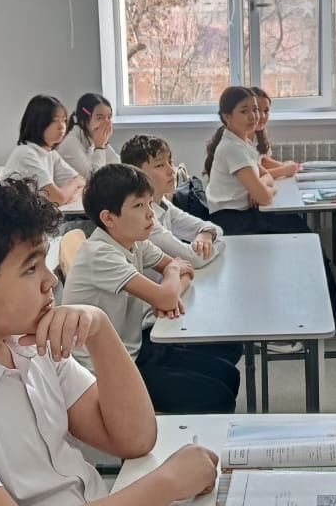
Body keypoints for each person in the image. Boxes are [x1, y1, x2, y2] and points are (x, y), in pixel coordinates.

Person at [0, 171, 219, 506]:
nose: (50, 281)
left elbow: (134, 439)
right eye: (30, 268)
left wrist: (100, 329)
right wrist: (168, 483)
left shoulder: (31, 342)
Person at [62, 163, 241, 414]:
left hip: (134, 347)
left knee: (228, 373)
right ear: (108, 218)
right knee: (217, 396)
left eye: (149, 204)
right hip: (106, 369)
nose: (150, 214)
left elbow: (185, 270)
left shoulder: (135, 242)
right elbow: (169, 290)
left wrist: (171, 281)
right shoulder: (100, 254)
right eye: (138, 206)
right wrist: (170, 281)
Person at [203, 87, 336, 327]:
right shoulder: (232, 148)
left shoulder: (243, 142)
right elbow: (264, 196)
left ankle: (322, 314)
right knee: (304, 239)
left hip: (246, 214)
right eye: (244, 111)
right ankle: (321, 317)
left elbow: (265, 177)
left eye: (255, 110)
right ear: (227, 116)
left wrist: (262, 186)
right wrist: (262, 188)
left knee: (302, 231)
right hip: (233, 222)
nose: (254, 116)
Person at [120, 134, 224, 269]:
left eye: (170, 162)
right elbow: (193, 259)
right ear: (137, 173)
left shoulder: (162, 203)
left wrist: (207, 233)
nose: (171, 171)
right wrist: (219, 244)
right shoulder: (144, 218)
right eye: (160, 165)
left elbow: (215, 229)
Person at [3, 94, 86, 206]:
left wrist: (72, 191)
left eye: (64, 120)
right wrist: (73, 184)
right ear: (37, 122)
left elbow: (82, 182)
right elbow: (57, 199)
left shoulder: (50, 153)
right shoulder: (25, 154)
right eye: (54, 120)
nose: (61, 126)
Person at [57, 93, 121, 179]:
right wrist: (100, 147)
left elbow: (118, 165)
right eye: (99, 118)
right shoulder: (69, 143)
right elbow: (95, 180)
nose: (107, 123)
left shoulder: (92, 137)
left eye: (109, 117)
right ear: (83, 120)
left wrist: (103, 144)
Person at [251, 87, 299, 179]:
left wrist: (283, 165)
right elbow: (254, 174)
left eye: (266, 111)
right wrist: (284, 170)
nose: (262, 116)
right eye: (257, 110)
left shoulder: (259, 134)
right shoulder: (240, 141)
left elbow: (262, 160)